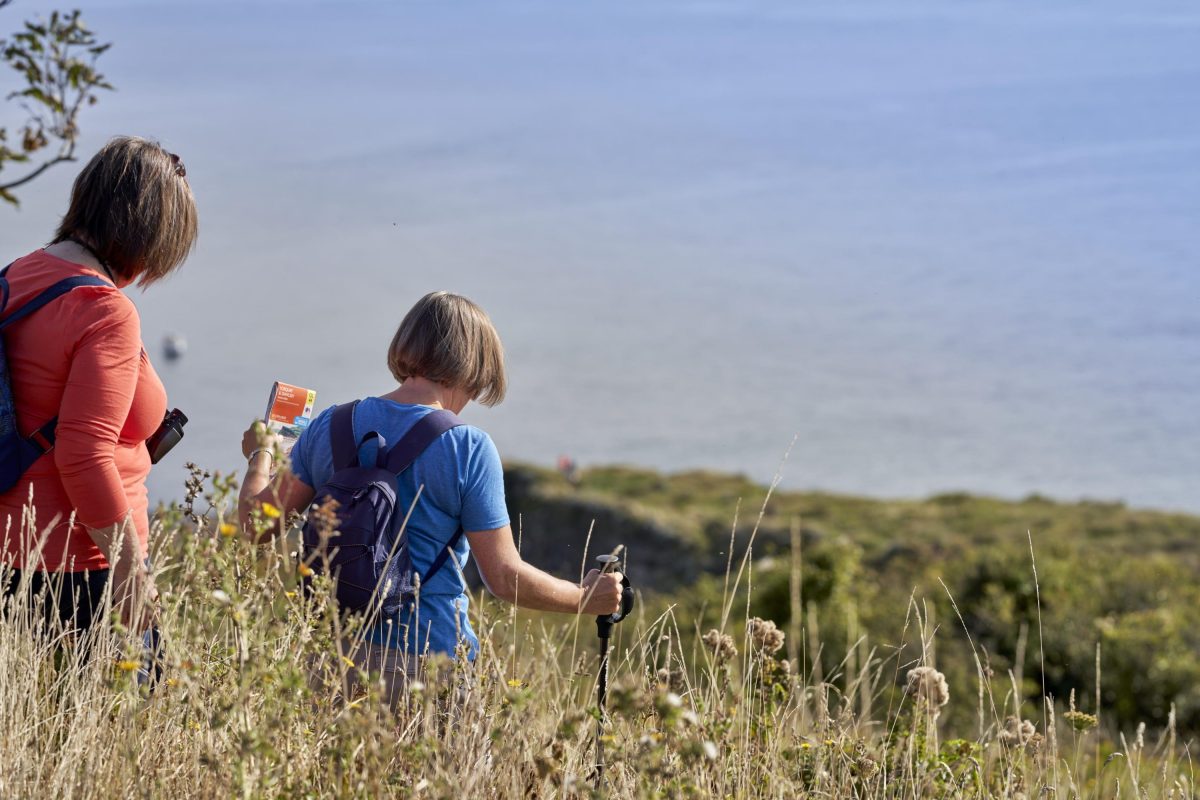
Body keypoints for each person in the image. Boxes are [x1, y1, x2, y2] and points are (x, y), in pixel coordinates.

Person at [238, 291, 623, 697]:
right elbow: (504, 579)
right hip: (429, 665)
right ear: (475, 368)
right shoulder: (468, 447)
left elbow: (254, 525)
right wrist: (584, 598)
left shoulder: (329, 424)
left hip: (334, 658)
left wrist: (262, 452)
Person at [0, 136, 198, 636]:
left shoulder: (15, 277)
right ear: (148, 233)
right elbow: (84, 455)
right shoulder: (104, 311)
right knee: (128, 709)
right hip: (77, 567)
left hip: (9, 552)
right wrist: (132, 581)